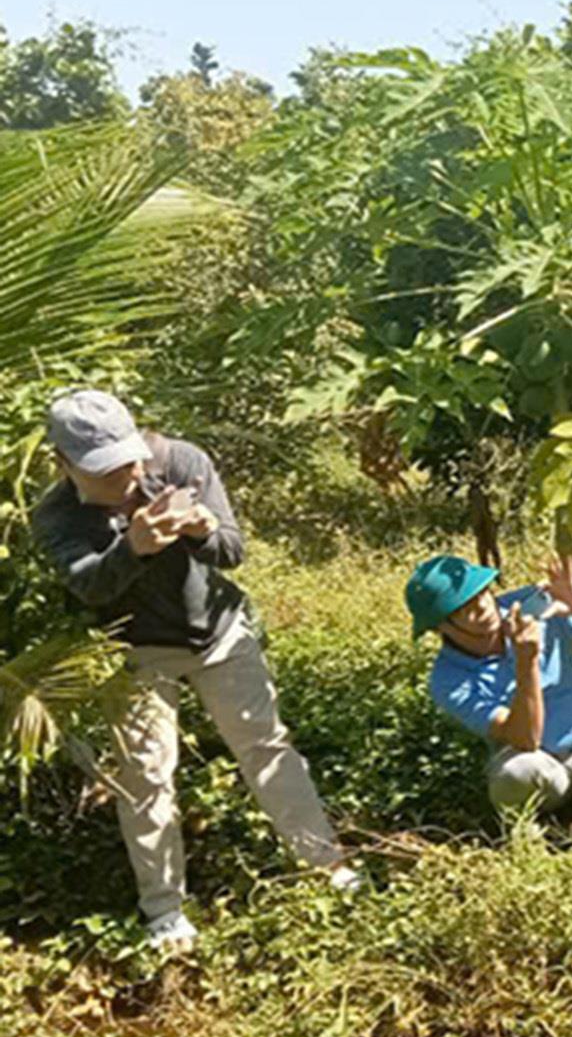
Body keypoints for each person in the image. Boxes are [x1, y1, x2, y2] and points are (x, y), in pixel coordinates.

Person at [31, 390, 354, 950]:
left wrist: (201, 530)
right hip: (137, 650)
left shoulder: (180, 462)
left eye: (130, 458)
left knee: (266, 745)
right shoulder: (56, 516)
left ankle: (328, 866)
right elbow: (86, 585)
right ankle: (164, 910)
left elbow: (232, 550)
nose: (129, 476)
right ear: (64, 464)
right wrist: (133, 548)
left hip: (221, 634)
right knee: (146, 776)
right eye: (107, 469)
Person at [409, 551, 572, 828]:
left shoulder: (531, 606)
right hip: (542, 768)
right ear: (440, 628)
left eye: (482, 594)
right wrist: (526, 661)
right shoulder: (449, 678)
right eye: (464, 608)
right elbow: (524, 740)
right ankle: (533, 833)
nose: (483, 608)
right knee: (514, 773)